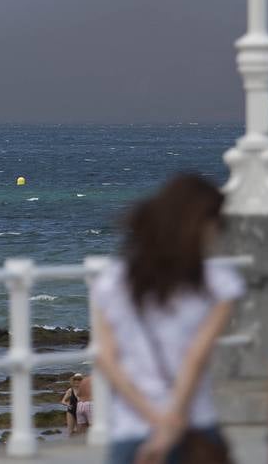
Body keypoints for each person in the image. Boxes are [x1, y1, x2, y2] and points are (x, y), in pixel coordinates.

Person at [90, 173, 242, 464]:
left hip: (132, 430)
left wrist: (155, 419)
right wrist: (173, 423)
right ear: (199, 223)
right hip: (196, 425)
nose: (217, 233)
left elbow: (107, 360)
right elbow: (195, 358)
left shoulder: (111, 280)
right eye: (216, 223)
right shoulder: (217, 281)